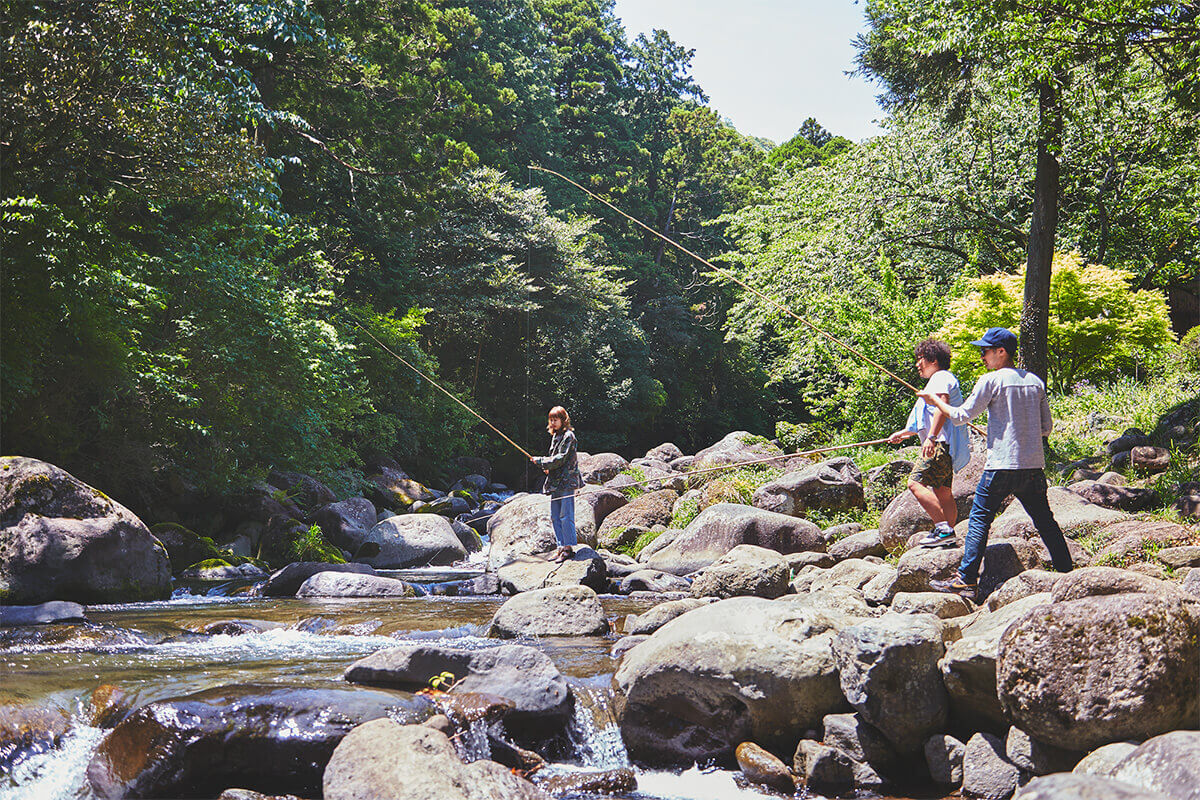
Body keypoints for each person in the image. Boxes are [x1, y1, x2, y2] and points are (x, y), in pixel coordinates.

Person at [918, 327, 1073, 597]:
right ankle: (1068, 574)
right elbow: (1046, 428)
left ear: (1001, 352)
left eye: (985, 351)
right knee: (1045, 521)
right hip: (1032, 467)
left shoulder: (990, 380)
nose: (982, 356)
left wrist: (935, 401)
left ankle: (966, 580)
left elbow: (960, 416)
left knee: (979, 520)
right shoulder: (1035, 382)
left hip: (1000, 465)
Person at [887, 338, 970, 547]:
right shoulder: (942, 379)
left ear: (933, 360)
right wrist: (903, 434)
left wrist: (931, 438)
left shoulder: (940, 377)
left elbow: (942, 406)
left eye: (920, 359)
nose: (917, 364)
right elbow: (928, 417)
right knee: (943, 491)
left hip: (939, 443)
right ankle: (948, 538)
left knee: (914, 483)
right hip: (947, 445)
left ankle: (943, 529)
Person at [532, 406, 583, 562]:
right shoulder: (556, 436)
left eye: (556, 419)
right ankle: (560, 547)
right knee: (555, 516)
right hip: (556, 482)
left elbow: (561, 458)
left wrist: (542, 461)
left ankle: (568, 549)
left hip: (567, 482)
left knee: (566, 516)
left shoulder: (569, 436)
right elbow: (555, 459)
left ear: (563, 420)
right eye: (551, 420)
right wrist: (547, 467)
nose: (553, 423)